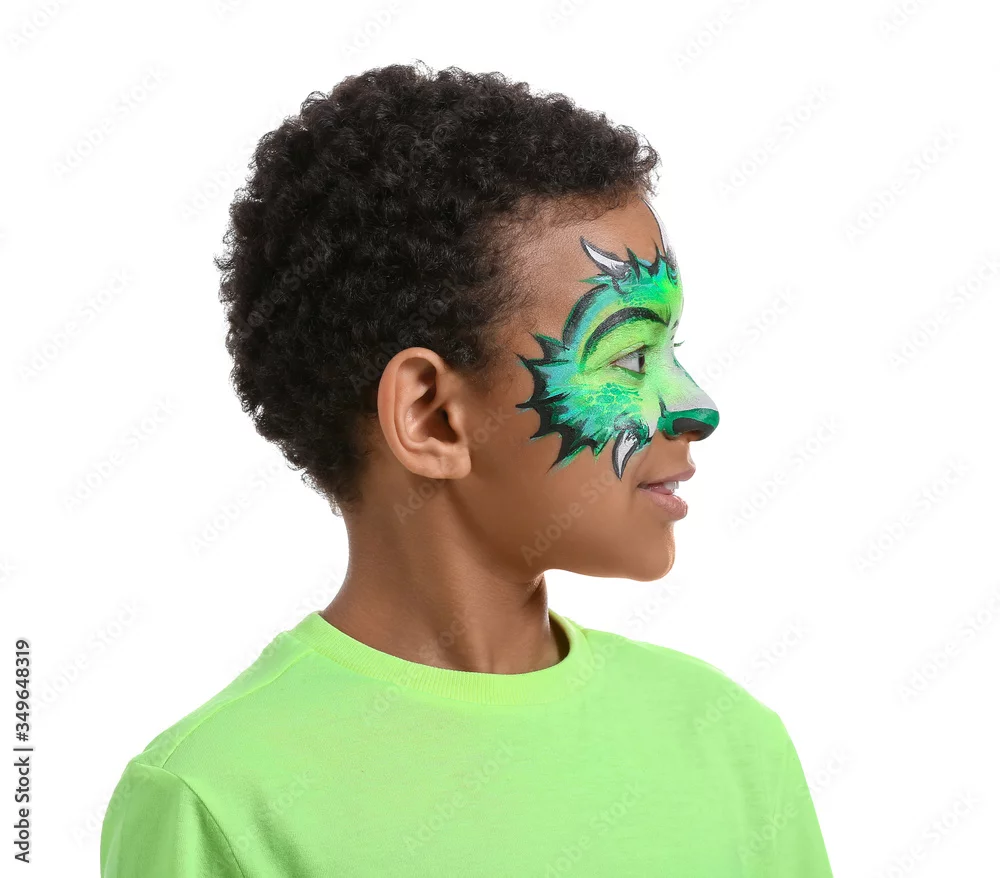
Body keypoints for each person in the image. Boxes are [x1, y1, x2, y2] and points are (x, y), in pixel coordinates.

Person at [100, 61, 834, 876]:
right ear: (432, 416)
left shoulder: (730, 743)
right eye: (630, 357)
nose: (698, 407)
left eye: (673, 350)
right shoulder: (216, 798)